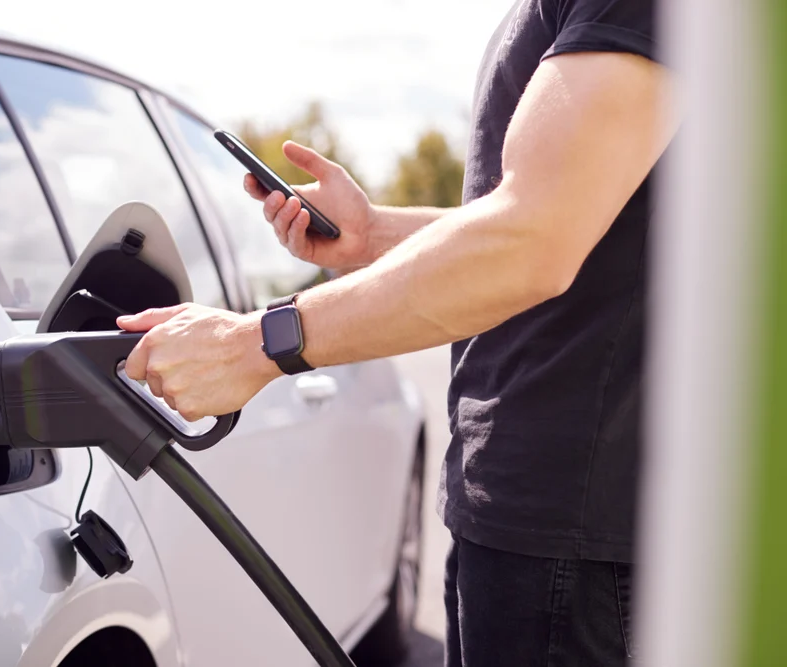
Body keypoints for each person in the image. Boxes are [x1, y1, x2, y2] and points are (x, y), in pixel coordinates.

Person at [117, 0, 673, 664]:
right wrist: (374, 234)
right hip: (511, 512)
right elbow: (550, 212)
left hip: (570, 533)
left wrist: (255, 343)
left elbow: (532, 239)